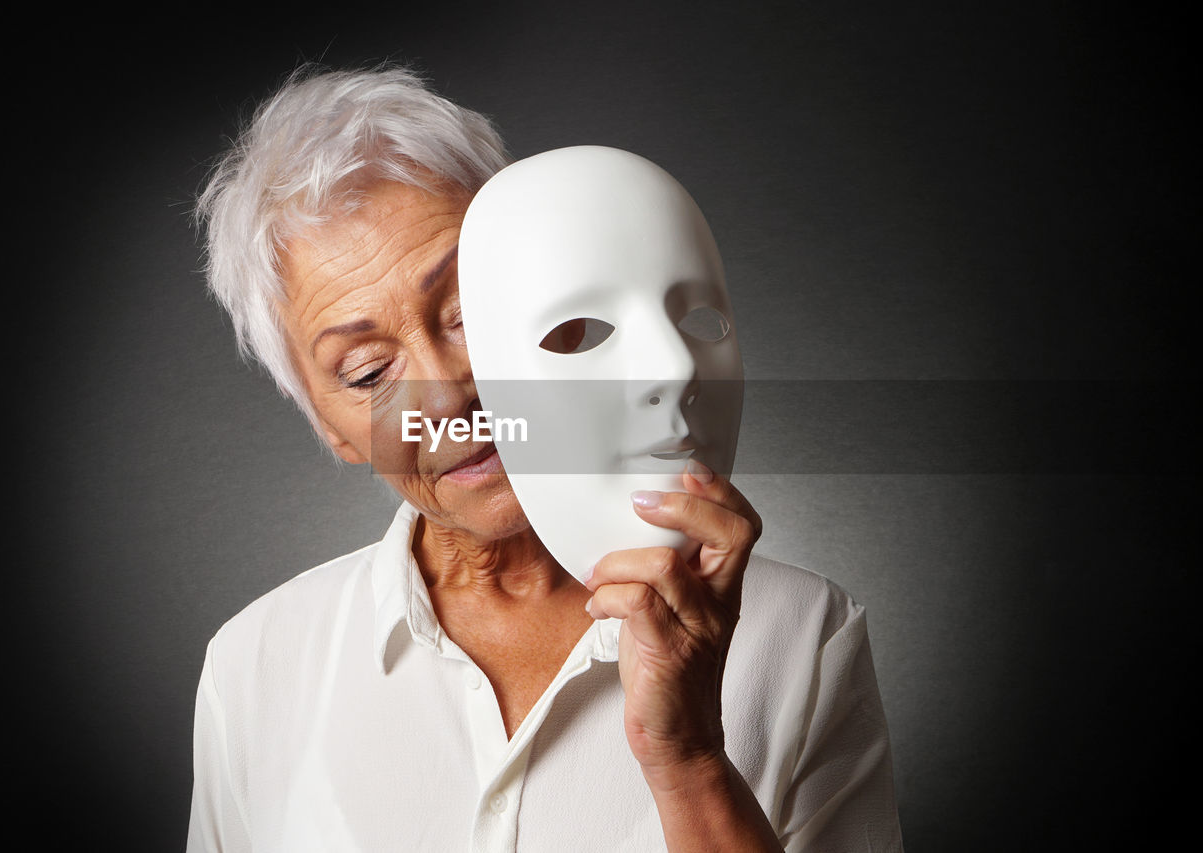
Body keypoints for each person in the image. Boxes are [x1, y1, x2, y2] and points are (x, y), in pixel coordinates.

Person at [187, 65, 904, 852]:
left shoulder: (803, 637)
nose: (450, 394)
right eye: (368, 372)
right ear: (334, 428)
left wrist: (691, 761)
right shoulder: (254, 665)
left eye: (469, 315)